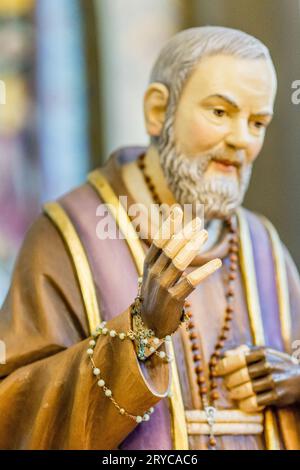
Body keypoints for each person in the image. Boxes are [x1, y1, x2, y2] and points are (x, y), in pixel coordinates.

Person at [0, 26, 300, 450]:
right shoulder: (70, 235)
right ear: (159, 110)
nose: (241, 140)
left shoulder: (262, 246)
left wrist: (294, 384)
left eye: (257, 122)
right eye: (219, 112)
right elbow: (14, 410)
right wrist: (141, 331)